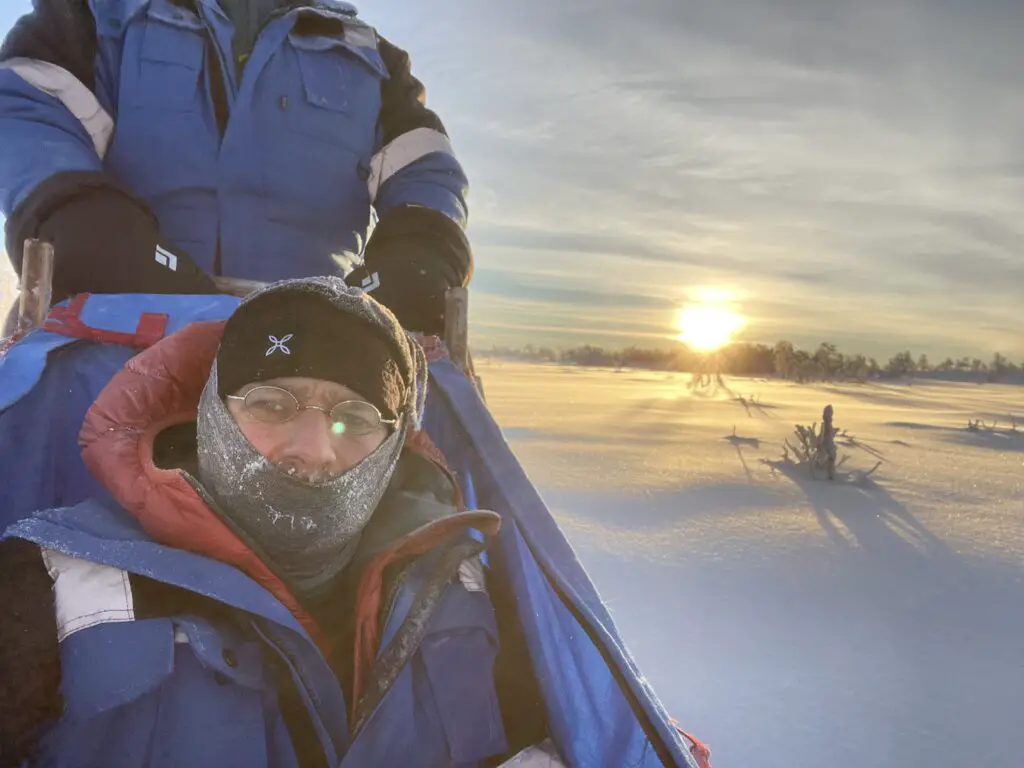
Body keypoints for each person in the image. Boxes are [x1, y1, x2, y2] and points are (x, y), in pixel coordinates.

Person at [0, 276, 514, 767]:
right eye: (272, 405)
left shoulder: (461, 582)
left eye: (355, 419)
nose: (314, 451)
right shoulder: (46, 583)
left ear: (394, 447)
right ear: (212, 414)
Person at [0, 0, 471, 336]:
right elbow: (26, 110)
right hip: (109, 326)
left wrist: (422, 246)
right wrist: (80, 215)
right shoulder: (92, 15)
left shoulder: (371, 59)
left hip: (317, 350)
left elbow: (424, 167)